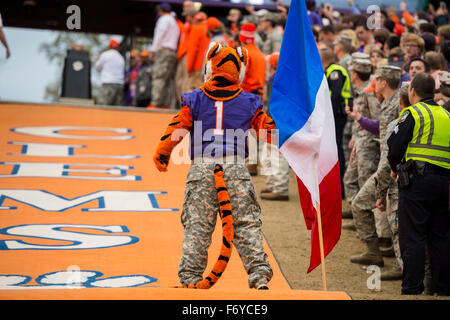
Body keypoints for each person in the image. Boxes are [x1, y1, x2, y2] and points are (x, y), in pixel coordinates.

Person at [153, 42, 275, 289]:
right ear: (239, 71)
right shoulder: (249, 101)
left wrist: (162, 154)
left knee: (197, 224)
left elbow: (176, 129)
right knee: (246, 222)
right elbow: (268, 133)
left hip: (202, 168)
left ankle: (190, 277)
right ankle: (259, 274)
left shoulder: (195, 98)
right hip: (235, 167)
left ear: (208, 67)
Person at [387, 72, 450, 296]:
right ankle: (443, 288)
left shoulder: (413, 113)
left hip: (418, 182)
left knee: (413, 235)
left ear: (412, 91)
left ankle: (412, 288)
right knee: (440, 236)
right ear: (433, 92)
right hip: (445, 184)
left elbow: (394, 146)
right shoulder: (446, 115)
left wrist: (394, 168)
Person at [349, 65, 401, 267]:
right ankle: (373, 251)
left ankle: (395, 263)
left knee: (363, 204)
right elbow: (381, 129)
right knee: (362, 204)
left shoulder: (396, 103)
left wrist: (382, 186)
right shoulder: (389, 102)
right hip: (386, 166)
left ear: (384, 82)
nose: (375, 83)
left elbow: (392, 142)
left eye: (377, 79)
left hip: (390, 169)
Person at [319, 44, 352, 198]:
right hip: (334, 115)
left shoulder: (335, 71)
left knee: (337, 149)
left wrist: (325, 114)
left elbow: (335, 95)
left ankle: (340, 188)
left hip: (337, 115)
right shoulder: (328, 71)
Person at [260, 52, 290, 201]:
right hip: (277, 120)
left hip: (276, 121)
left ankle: (280, 188)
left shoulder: (275, 80)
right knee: (270, 154)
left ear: (272, 66)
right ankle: (272, 184)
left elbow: (273, 103)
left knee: (277, 154)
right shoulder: (284, 78)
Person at [239, 22, 267, 175]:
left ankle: (250, 162)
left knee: (246, 130)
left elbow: (241, 78)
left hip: (247, 95)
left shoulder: (245, 53)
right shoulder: (259, 53)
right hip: (258, 95)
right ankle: (252, 162)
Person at [149, 2, 180, 109]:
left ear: (159, 10)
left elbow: (159, 35)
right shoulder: (174, 21)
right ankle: (165, 104)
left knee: (158, 77)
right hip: (172, 52)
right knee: (167, 79)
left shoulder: (163, 19)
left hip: (163, 51)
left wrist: (153, 51)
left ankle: (156, 102)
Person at [94, 39, 125, 106]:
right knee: (117, 110)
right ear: (118, 47)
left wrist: (98, 59)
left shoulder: (105, 55)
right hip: (119, 85)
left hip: (108, 84)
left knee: (102, 107)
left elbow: (97, 68)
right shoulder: (121, 58)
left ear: (109, 46)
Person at [186, 12, 210, 92]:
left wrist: (189, 68)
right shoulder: (209, 29)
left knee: (194, 91)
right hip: (208, 66)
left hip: (197, 66)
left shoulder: (196, 29)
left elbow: (192, 50)